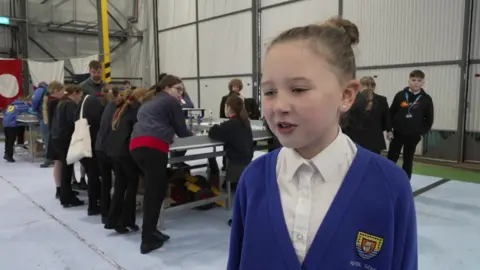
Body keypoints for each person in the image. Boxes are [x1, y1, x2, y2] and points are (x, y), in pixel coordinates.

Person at [227, 17, 417, 270]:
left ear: (346, 95)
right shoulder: (254, 180)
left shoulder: (390, 185)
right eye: (270, 92)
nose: (280, 106)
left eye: (298, 89)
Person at [129, 74, 193, 254]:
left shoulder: (149, 101)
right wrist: (192, 133)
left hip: (136, 147)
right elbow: (182, 131)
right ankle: (147, 239)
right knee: (154, 191)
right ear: (167, 88)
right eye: (178, 89)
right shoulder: (171, 102)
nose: (181, 93)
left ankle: (153, 231)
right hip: (154, 147)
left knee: (158, 187)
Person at [105, 88, 155, 234]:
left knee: (120, 187)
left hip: (115, 151)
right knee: (131, 187)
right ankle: (127, 220)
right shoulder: (137, 112)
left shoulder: (122, 108)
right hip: (126, 153)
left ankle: (115, 220)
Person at [208, 94, 253, 227]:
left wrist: (215, 127)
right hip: (246, 158)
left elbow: (215, 132)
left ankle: (240, 219)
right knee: (243, 189)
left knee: (240, 192)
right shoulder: (244, 121)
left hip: (236, 161)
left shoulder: (232, 124)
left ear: (229, 108)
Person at [387, 70, 434, 179]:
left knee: (408, 159)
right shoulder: (400, 95)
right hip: (397, 133)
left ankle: (405, 182)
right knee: (392, 157)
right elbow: (391, 112)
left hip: (413, 135)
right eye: (413, 80)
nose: (416, 83)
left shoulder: (426, 99)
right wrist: (389, 129)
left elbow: (429, 119)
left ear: (423, 83)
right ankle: (388, 179)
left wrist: (421, 133)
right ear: (409, 81)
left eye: (419, 81)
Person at [76, 81, 106, 216]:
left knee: (91, 174)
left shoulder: (83, 103)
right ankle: (94, 205)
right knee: (94, 175)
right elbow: (101, 124)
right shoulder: (97, 104)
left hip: (83, 144)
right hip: (92, 145)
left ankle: (95, 202)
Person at [50, 85, 84, 207]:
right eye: (80, 95)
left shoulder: (62, 103)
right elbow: (73, 121)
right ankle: (66, 197)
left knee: (66, 167)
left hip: (57, 138)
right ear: (74, 93)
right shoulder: (70, 104)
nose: (80, 98)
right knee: (67, 168)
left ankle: (66, 192)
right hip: (65, 139)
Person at [343, 76, 392, 154]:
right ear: (374, 86)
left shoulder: (352, 99)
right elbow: (386, 117)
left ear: (360, 86)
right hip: (375, 139)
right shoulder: (382, 100)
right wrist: (389, 130)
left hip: (356, 138)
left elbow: (346, 119)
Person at [95, 85, 119, 223]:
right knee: (120, 182)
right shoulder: (117, 108)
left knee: (106, 182)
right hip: (110, 150)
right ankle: (116, 212)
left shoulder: (106, 107)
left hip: (100, 148)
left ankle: (105, 213)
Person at [43, 81, 70, 199]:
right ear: (55, 90)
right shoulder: (54, 102)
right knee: (59, 163)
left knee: (58, 163)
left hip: (54, 135)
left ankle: (61, 188)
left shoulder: (50, 101)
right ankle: (60, 188)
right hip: (57, 135)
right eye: (61, 90)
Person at [31, 81, 53, 168]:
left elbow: (35, 100)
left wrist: (33, 109)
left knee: (46, 138)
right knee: (51, 138)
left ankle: (48, 159)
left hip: (44, 117)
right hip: (52, 118)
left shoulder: (40, 90)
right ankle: (52, 157)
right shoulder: (50, 91)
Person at [2, 97, 31, 162]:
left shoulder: (11, 105)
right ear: (24, 100)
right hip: (11, 125)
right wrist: (28, 104)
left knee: (7, 140)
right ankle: (9, 156)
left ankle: (6, 154)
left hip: (5, 124)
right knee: (11, 141)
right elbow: (28, 109)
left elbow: (4, 112)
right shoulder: (20, 105)